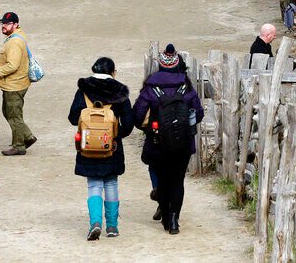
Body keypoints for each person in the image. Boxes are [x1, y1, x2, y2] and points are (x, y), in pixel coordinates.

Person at [133, 45, 204, 235]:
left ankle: (165, 217)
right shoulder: (186, 86)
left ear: (162, 65)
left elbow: (138, 115)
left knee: (163, 180)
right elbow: (198, 113)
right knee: (177, 181)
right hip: (182, 143)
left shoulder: (151, 87)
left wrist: (148, 129)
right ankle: (174, 220)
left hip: (157, 142)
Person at [68, 57, 134, 240]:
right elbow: (129, 123)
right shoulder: (120, 92)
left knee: (94, 184)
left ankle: (95, 222)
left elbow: (73, 118)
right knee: (111, 183)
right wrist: (115, 135)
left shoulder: (83, 90)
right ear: (113, 72)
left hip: (88, 146)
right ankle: (112, 226)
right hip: (111, 146)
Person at [0, 12, 36, 156]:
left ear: (15, 24)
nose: (3, 26)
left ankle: (19, 146)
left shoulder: (14, 42)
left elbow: (12, 65)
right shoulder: (15, 37)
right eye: (2, 23)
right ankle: (27, 137)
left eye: (7, 24)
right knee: (9, 112)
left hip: (15, 85)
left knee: (14, 115)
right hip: (14, 84)